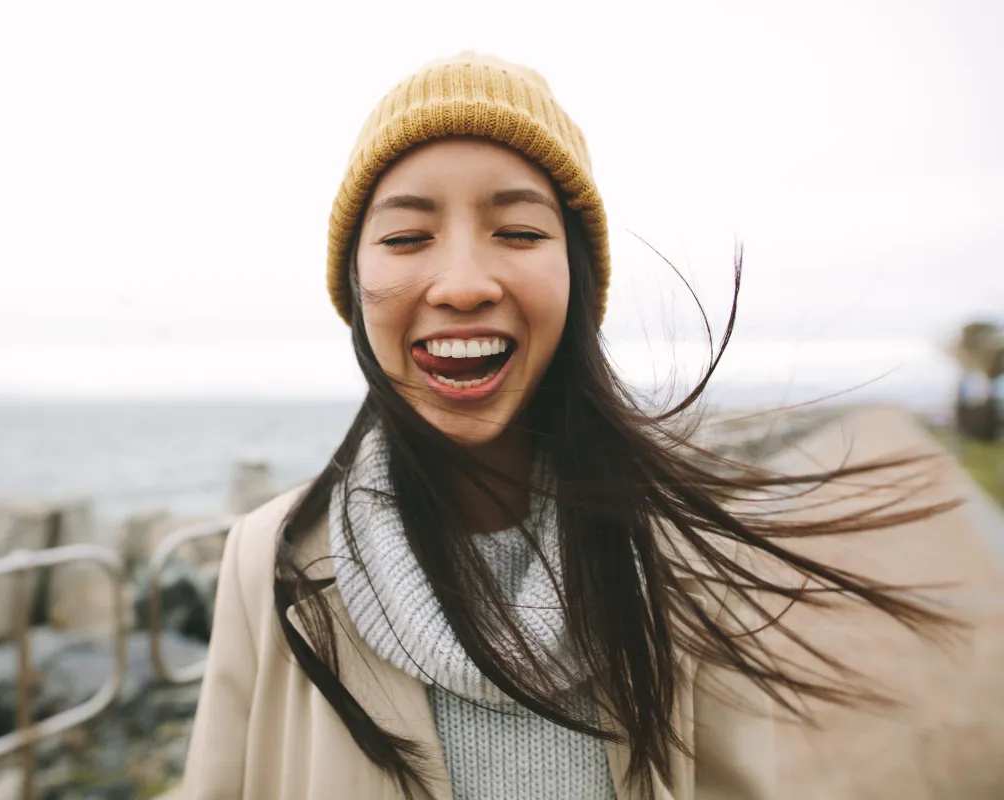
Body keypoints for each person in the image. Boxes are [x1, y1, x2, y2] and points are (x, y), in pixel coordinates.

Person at [181, 52, 953, 800]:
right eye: (407, 237)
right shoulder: (271, 558)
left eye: (518, 232)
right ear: (353, 284)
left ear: (578, 277)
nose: (462, 285)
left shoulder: (684, 560)